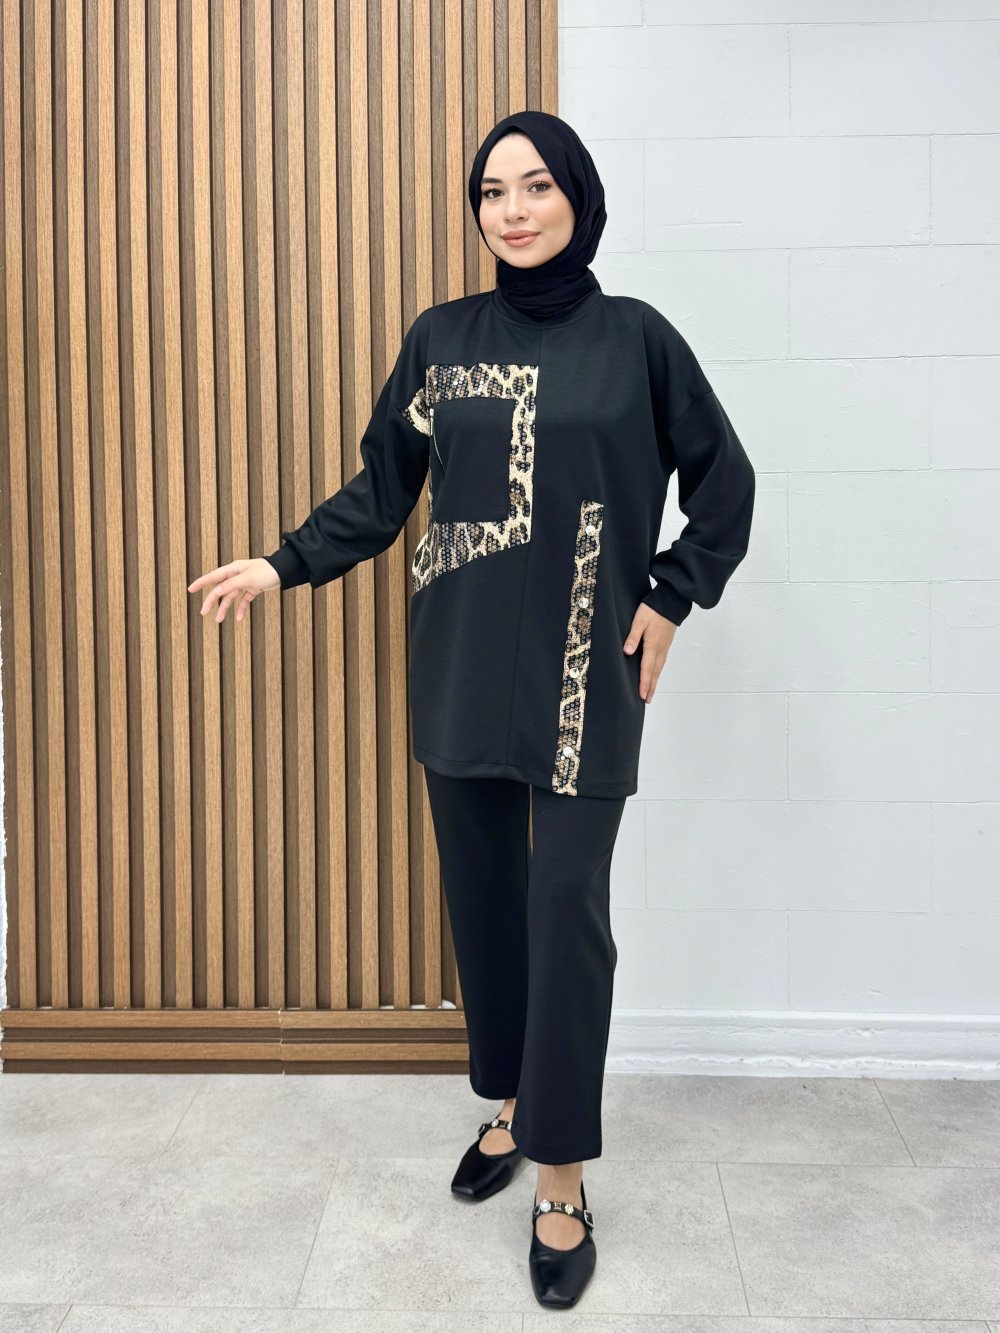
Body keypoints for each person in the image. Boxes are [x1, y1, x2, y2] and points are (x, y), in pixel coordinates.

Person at [188, 110, 755, 1310]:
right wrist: (281, 563)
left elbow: (724, 484)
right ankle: (507, 1099)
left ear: (577, 197)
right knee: (487, 909)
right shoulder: (441, 341)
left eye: (535, 185)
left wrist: (670, 595)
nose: (512, 209)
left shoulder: (637, 340)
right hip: (457, 662)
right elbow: (382, 490)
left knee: (565, 912)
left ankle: (560, 1173)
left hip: (584, 676)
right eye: (492, 191)